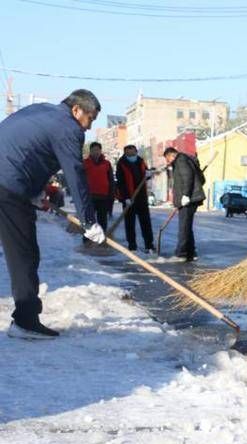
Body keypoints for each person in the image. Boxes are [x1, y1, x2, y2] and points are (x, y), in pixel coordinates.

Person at [0, 89, 105, 339]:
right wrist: (88, 221)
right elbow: (75, 174)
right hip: (8, 186)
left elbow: (27, 151)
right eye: (90, 119)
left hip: (10, 182)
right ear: (77, 110)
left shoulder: (43, 111)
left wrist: (34, 192)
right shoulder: (68, 128)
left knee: (21, 251)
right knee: (24, 254)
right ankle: (25, 321)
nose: (89, 128)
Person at [163, 147, 206, 262]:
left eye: (168, 159)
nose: (169, 162)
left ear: (171, 155)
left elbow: (188, 177)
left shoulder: (181, 160)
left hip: (188, 199)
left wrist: (186, 195)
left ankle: (181, 253)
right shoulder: (185, 159)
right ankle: (190, 252)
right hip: (190, 199)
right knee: (187, 226)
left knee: (184, 227)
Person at [116, 145, 155, 252]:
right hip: (129, 198)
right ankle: (132, 245)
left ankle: (149, 244)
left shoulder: (141, 161)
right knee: (129, 223)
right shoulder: (121, 164)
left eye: (132, 153)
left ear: (136, 152)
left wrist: (149, 174)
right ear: (125, 154)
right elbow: (120, 183)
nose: (131, 155)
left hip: (141, 197)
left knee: (145, 222)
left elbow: (146, 174)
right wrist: (125, 198)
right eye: (128, 154)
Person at [83, 141, 115, 232]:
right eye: (93, 150)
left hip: (103, 197)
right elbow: (80, 180)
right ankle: (87, 240)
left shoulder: (107, 164)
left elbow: (111, 180)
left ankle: (102, 238)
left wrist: (111, 195)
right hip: (89, 197)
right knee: (89, 220)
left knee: (102, 220)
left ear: (100, 151)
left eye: (97, 150)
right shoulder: (85, 163)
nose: (96, 152)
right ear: (90, 151)